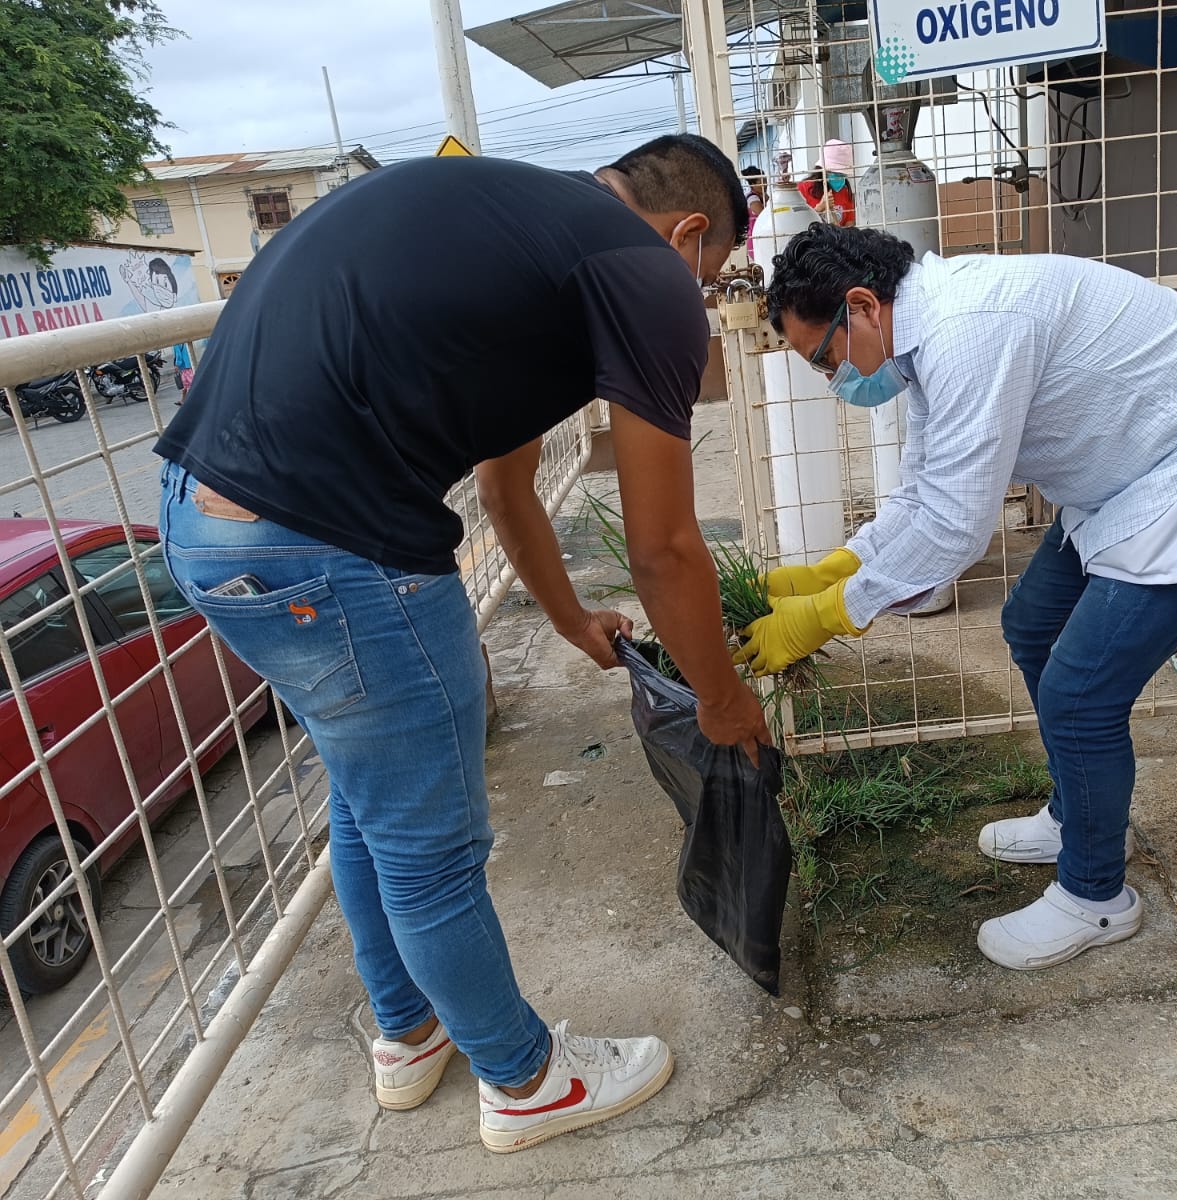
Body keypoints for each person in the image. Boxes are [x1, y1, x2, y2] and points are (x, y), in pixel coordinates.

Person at [153, 136, 771, 1153]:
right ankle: (524, 1079)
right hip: (332, 547)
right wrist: (721, 700)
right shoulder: (641, 270)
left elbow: (504, 484)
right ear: (688, 233)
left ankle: (408, 1033)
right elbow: (664, 548)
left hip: (201, 527)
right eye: (709, 277)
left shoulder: (517, 239)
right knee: (432, 852)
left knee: (372, 803)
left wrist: (571, 619)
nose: (699, 300)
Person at [741, 223, 1177, 973]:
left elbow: (954, 527)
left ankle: (1095, 896)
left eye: (824, 358)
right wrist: (840, 566)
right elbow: (924, 492)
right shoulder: (926, 337)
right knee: (1033, 623)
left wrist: (829, 614)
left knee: (1082, 691)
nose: (833, 380)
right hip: (1146, 470)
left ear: (862, 306)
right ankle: (1081, 816)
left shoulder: (968, 331)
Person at [797, 140, 855, 226]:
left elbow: (849, 224)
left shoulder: (844, 191)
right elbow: (798, 224)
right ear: (823, 170)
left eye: (842, 174)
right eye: (835, 173)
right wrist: (820, 207)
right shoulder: (803, 189)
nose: (839, 177)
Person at [741, 164, 766, 252]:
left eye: (765, 180)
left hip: (761, 237)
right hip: (756, 241)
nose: (765, 184)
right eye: (761, 182)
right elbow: (764, 215)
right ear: (753, 184)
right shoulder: (753, 198)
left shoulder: (762, 196)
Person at [172, 341, 193, 406]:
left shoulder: (176, 343)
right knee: (185, 385)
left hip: (184, 366)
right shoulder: (184, 340)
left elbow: (178, 355)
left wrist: (177, 365)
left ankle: (189, 399)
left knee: (188, 383)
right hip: (189, 363)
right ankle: (183, 400)